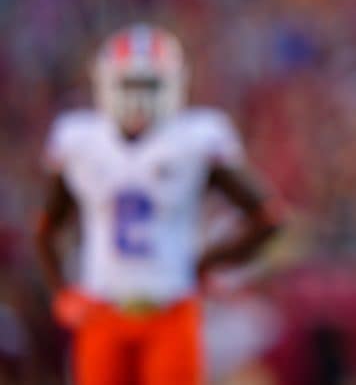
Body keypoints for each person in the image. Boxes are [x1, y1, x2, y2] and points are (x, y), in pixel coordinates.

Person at [34, 23, 279, 385]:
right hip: (103, 309)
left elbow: (268, 216)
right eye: (130, 84)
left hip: (170, 308)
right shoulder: (80, 141)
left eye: (149, 84)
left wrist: (208, 263)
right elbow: (46, 227)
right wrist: (61, 292)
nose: (139, 97)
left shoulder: (196, 140)